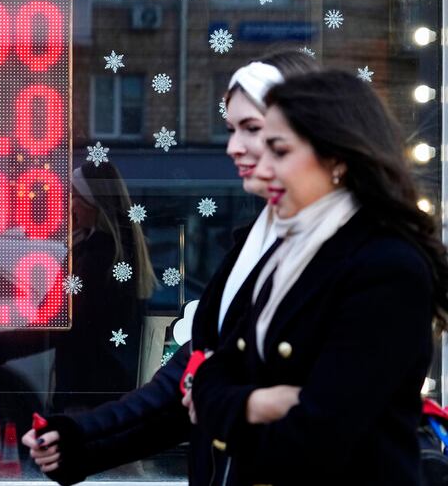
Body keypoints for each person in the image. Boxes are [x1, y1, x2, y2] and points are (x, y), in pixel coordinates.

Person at [21, 49, 319, 486]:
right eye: (232, 129)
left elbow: (350, 407)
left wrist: (226, 401)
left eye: (251, 129)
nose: (233, 147)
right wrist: (81, 442)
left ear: (309, 128)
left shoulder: (360, 252)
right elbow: (181, 385)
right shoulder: (253, 246)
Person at [192, 70, 448, 486]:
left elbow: (315, 438)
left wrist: (231, 409)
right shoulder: (288, 252)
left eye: (279, 151)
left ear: (337, 158)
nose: (263, 167)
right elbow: (213, 373)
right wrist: (260, 403)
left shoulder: (385, 265)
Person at [0, 159, 156, 413]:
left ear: (92, 201)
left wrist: (1, 345)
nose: (69, 204)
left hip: (87, 390)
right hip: (110, 386)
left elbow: (63, 323)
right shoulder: (117, 252)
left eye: (74, 196)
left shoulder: (96, 258)